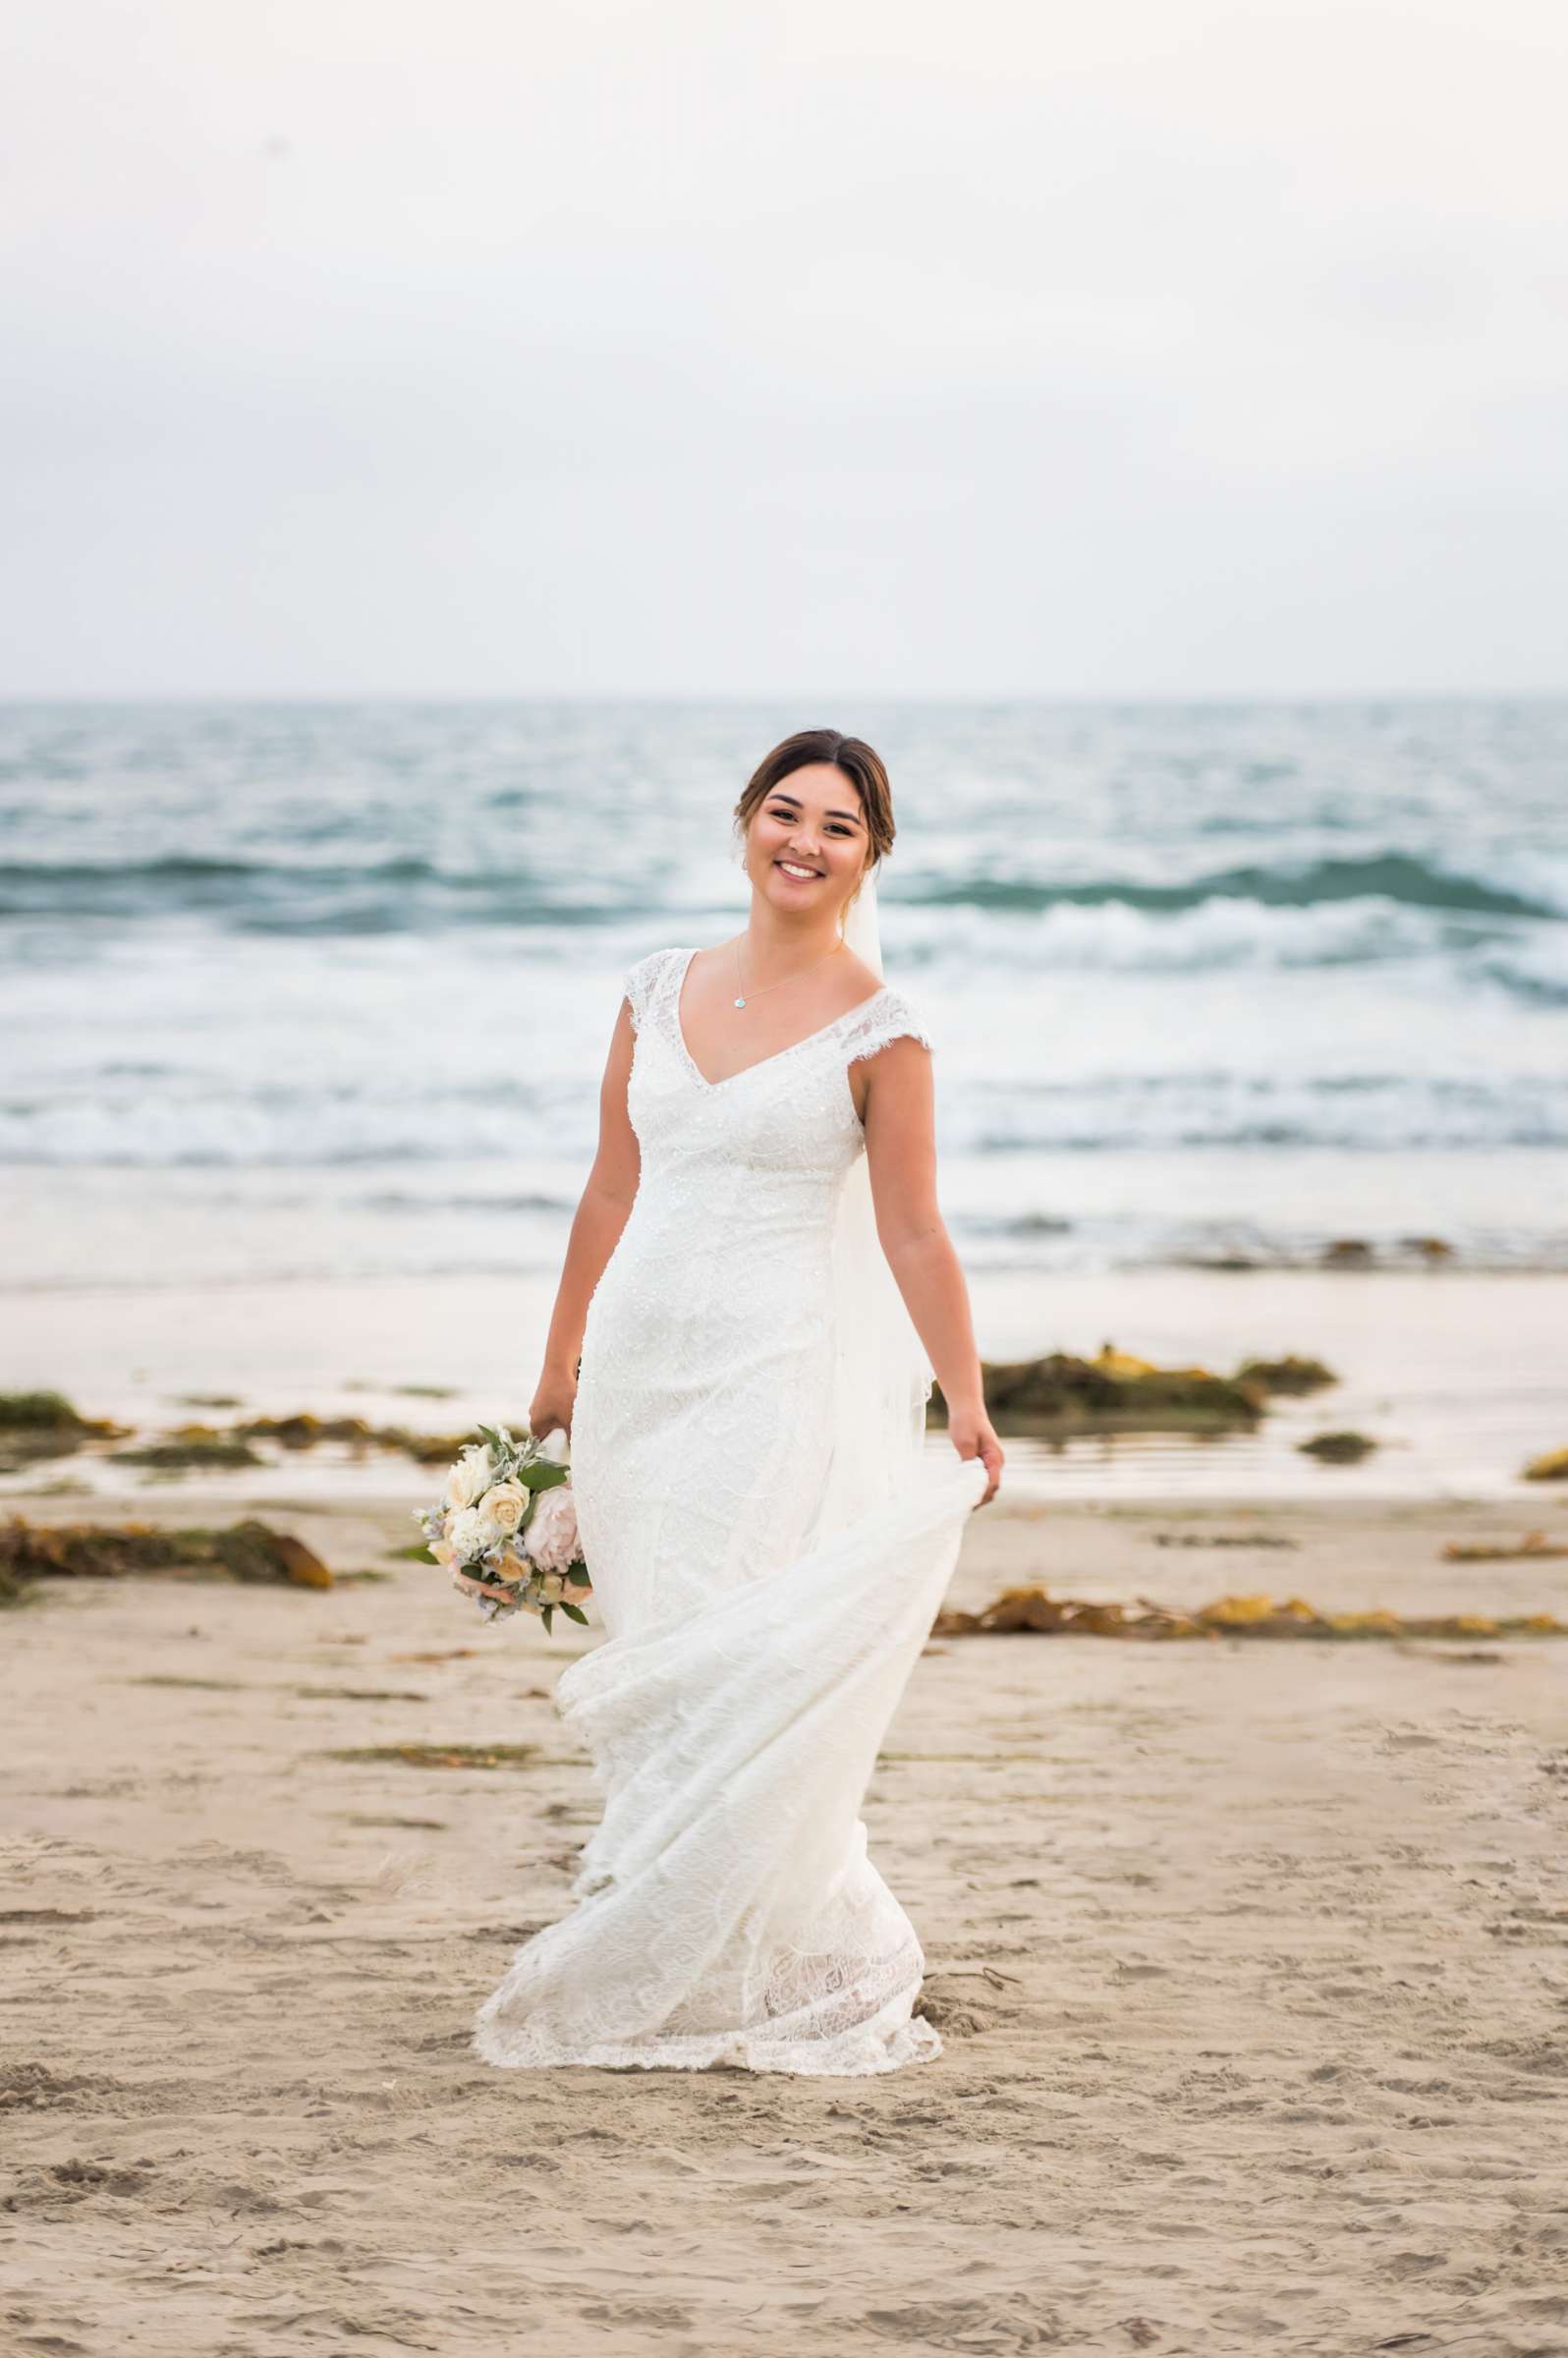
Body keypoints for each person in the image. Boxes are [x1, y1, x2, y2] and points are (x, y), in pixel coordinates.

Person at [469, 726, 1004, 2075]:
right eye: (786, 811)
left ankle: (764, 1951)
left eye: (837, 825)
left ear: (870, 856)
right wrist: (558, 1367)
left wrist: (966, 1397)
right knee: (656, 1652)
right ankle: (696, 1941)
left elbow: (916, 1234)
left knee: (730, 1653)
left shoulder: (887, 1030)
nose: (804, 842)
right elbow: (609, 1186)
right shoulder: (654, 990)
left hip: (773, 1375)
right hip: (640, 1372)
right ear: (744, 823)